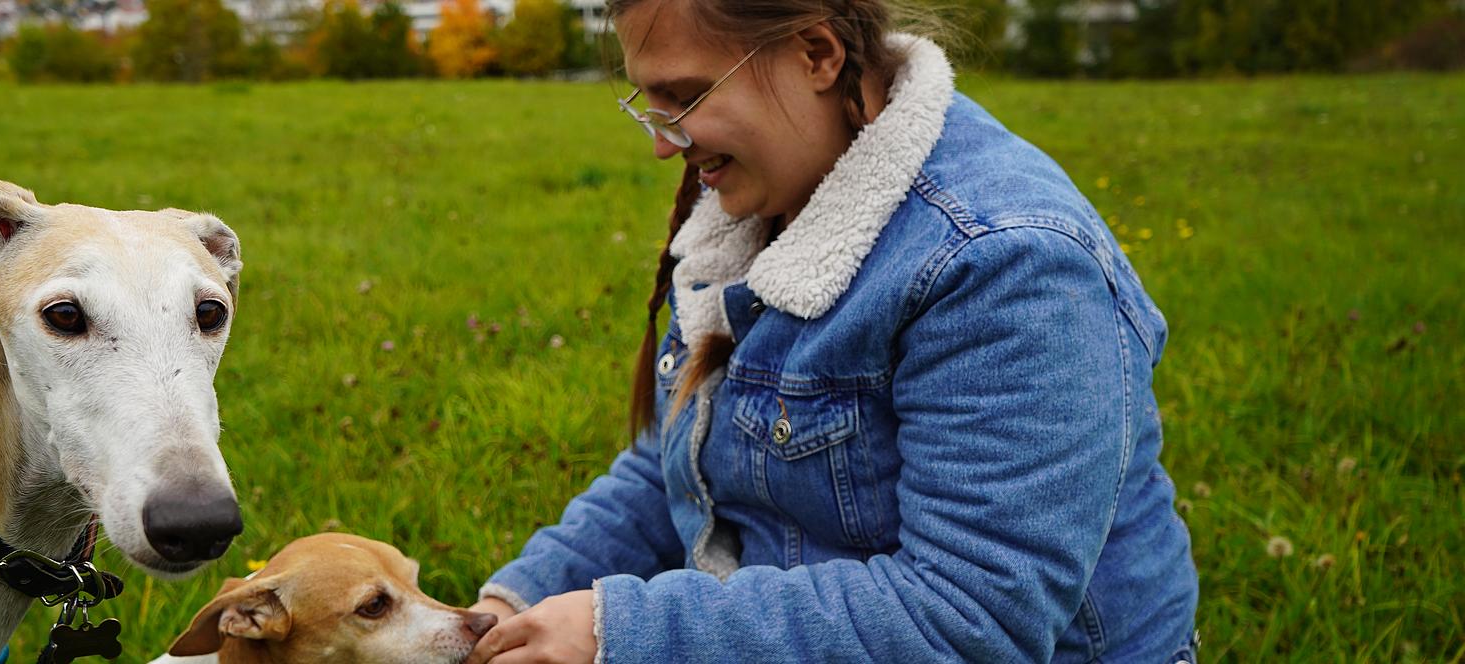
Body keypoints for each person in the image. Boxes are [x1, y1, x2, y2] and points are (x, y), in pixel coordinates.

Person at [462, 1, 1199, 662]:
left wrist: (623, 631)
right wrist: (508, 610)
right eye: (647, 105)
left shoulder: (1005, 262)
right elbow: (676, 468)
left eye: (685, 97)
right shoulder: (763, 207)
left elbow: (969, 622)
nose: (662, 145)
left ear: (817, 55)